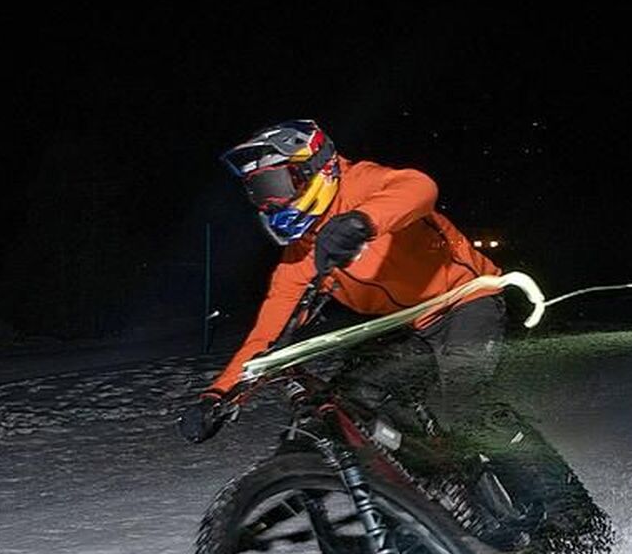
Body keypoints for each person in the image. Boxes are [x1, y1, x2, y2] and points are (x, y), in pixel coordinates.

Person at [179, 119, 505, 444]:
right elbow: (267, 336)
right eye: (258, 192)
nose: (270, 203)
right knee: (351, 400)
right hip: (407, 325)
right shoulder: (301, 254)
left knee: (461, 406)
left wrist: (362, 222)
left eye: (276, 185)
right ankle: (419, 468)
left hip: (466, 300)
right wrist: (220, 394)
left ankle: (524, 468)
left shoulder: (359, 183)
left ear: (315, 168)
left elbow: (419, 187)